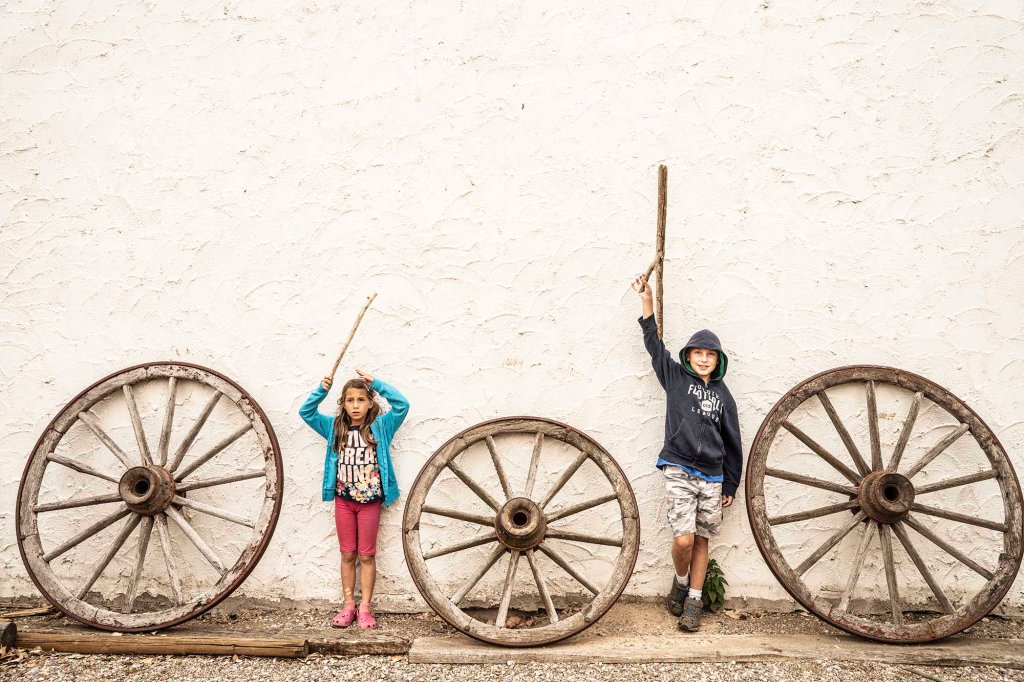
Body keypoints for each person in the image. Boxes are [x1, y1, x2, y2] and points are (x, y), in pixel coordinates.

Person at [632, 273, 742, 632]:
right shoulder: (675, 377)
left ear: (718, 360)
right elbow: (654, 344)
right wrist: (647, 301)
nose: (704, 359)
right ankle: (680, 583)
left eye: (710, 355)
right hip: (679, 467)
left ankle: (694, 601)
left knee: (702, 540)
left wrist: (730, 483)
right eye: (698, 353)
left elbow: (733, 442)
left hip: (712, 475)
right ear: (689, 356)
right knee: (684, 539)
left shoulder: (724, 397)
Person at [299, 369, 409, 629]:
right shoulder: (334, 427)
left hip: (370, 503)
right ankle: (349, 605)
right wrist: (321, 391)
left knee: (367, 555)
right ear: (343, 404)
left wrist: (377, 384)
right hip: (344, 502)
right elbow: (306, 412)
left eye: (361, 400)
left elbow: (402, 405)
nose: (356, 405)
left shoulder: (381, 427)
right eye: (350, 400)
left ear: (370, 403)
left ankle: (366, 608)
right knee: (347, 554)